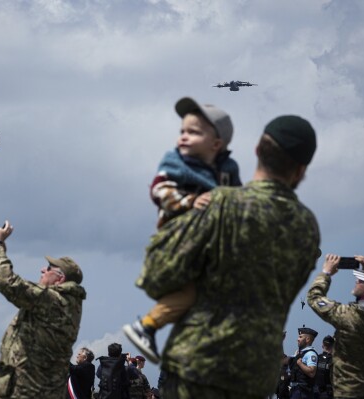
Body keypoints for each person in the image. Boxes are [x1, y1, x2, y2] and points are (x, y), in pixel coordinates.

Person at [137, 115, 320, 398]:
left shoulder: (220, 203)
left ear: (257, 150)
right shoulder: (307, 226)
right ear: (301, 169)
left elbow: (156, 277)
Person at [124, 96, 241, 363]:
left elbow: (239, 200)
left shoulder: (227, 170)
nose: (184, 137)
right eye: (182, 131)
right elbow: (159, 190)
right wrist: (189, 200)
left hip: (210, 246)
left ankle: (150, 327)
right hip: (178, 239)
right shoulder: (175, 162)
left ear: (216, 144)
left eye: (194, 132)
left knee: (195, 295)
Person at [0, 220, 86, 398]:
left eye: (49, 268)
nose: (43, 269)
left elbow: (9, 283)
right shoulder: (66, 303)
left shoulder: (53, 301)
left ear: (60, 279)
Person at [307, 253, 364, 398]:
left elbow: (314, 297)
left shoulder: (348, 316)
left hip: (350, 392)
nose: (356, 280)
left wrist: (326, 273)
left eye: (361, 280)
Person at [289, 327, 318, 399]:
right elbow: (283, 360)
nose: (297, 339)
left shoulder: (311, 354)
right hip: (295, 390)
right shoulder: (299, 353)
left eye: (300, 337)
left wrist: (300, 364)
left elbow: (312, 373)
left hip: (303, 392)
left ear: (307, 339)